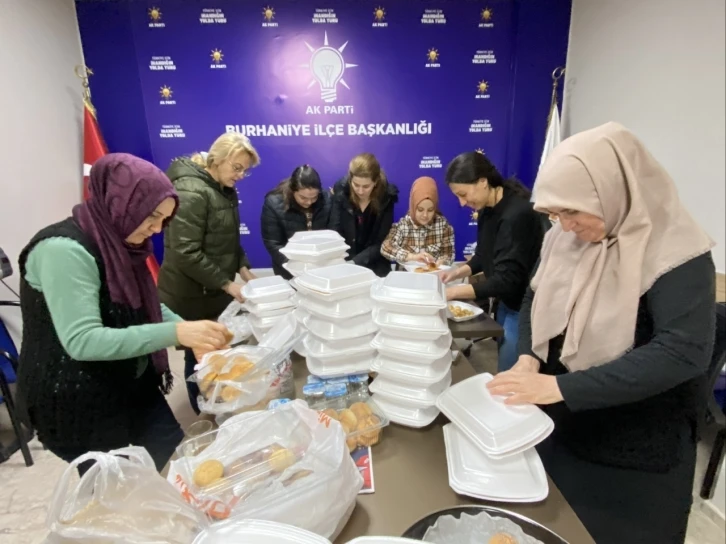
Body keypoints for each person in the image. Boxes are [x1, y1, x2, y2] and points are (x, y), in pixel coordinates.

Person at [487, 122, 716, 544]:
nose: (565, 225)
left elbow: (681, 353)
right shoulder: (563, 239)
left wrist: (561, 388)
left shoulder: (677, 253)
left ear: (613, 190)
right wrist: (528, 357)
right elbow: (532, 299)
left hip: (635, 455)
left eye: (572, 211)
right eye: (556, 214)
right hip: (563, 433)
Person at [16, 153, 229, 474]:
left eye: (164, 220)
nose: (156, 230)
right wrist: (175, 333)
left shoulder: (121, 242)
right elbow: (83, 341)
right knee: (122, 494)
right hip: (77, 401)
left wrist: (191, 332)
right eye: (151, 217)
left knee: (176, 464)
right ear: (122, 203)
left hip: (131, 384)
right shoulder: (63, 250)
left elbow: (146, 305)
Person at [158, 132, 260, 414]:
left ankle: (220, 404)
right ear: (217, 159)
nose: (240, 175)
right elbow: (185, 253)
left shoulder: (222, 188)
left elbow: (227, 239)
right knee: (200, 355)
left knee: (216, 349)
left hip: (211, 289)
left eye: (245, 170)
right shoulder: (192, 191)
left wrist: (244, 270)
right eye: (236, 167)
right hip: (190, 292)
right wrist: (228, 285)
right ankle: (203, 413)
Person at [439, 152, 547, 371]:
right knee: (504, 363)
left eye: (463, 194)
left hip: (526, 308)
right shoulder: (487, 210)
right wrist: (455, 274)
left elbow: (507, 280)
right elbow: (484, 255)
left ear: (482, 182)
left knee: (511, 371)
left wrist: (450, 293)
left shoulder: (516, 215)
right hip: (506, 302)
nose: (462, 202)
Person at [329, 153, 399, 277]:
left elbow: (382, 241)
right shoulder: (341, 192)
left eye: (366, 186)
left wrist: (355, 262)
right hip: (345, 261)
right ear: (350, 179)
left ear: (376, 182)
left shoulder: (386, 196)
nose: (360, 191)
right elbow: (335, 231)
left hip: (376, 264)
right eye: (356, 185)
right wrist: (344, 262)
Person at [261, 164, 333, 279]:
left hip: (322, 268)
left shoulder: (326, 200)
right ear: (292, 190)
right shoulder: (274, 203)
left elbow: (332, 235)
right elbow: (273, 243)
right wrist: (298, 267)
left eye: (314, 197)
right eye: (303, 198)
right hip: (289, 270)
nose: (309, 202)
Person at [381, 176, 455, 267]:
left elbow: (448, 254)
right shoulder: (403, 224)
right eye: (420, 209)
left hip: (432, 276)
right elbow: (385, 247)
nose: (425, 215)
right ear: (413, 206)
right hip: (407, 278)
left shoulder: (443, 225)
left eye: (430, 210)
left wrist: (442, 262)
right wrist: (412, 257)